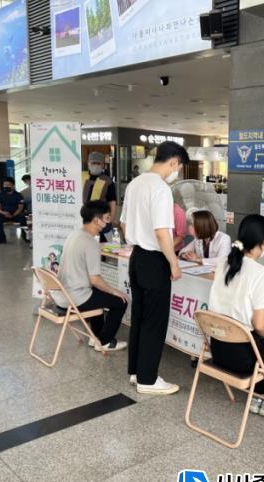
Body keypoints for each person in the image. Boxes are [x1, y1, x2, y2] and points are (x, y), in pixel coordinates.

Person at [208, 214, 264, 417]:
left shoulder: (223, 264)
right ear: (262, 242)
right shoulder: (261, 274)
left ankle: (258, 394)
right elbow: (259, 326)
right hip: (243, 359)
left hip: (218, 351)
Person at [121, 141, 187, 395]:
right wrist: (173, 263)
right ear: (174, 162)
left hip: (136, 257)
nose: (177, 172)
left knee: (139, 316)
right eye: (179, 167)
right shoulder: (160, 188)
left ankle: (136, 372)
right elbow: (162, 233)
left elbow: (124, 224)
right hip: (154, 261)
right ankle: (148, 379)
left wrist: (138, 239)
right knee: (155, 321)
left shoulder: (136, 183)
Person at [52, 201, 128, 352]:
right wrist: (115, 291)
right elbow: (95, 280)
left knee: (99, 294)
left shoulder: (75, 235)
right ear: (96, 220)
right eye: (107, 218)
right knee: (121, 301)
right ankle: (105, 342)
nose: (109, 221)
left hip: (62, 294)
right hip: (75, 297)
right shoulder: (90, 243)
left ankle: (96, 337)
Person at [83, 151, 116, 242]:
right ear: (88, 163)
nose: (95, 165)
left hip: (104, 221)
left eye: (98, 163)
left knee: (108, 244)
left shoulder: (108, 181)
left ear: (103, 165)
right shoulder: (82, 177)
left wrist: (111, 220)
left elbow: (112, 202)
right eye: (93, 163)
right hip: (87, 220)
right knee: (88, 243)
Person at [0, 177, 27, 244]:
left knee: (23, 218)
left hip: (16, 214)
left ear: (13, 185)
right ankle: (2, 238)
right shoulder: (0, 194)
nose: (6, 186)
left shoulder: (18, 195)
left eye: (8, 185)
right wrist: (4, 213)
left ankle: (24, 236)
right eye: (5, 185)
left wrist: (13, 215)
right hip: (4, 214)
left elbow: (20, 208)